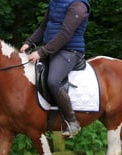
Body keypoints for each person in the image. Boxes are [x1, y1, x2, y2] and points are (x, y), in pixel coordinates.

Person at [20, 0, 90, 138]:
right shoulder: (55, 2)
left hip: (69, 50)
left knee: (53, 80)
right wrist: (29, 42)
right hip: (51, 49)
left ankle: (72, 121)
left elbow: (65, 33)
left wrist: (41, 52)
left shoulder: (78, 5)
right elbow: (43, 27)